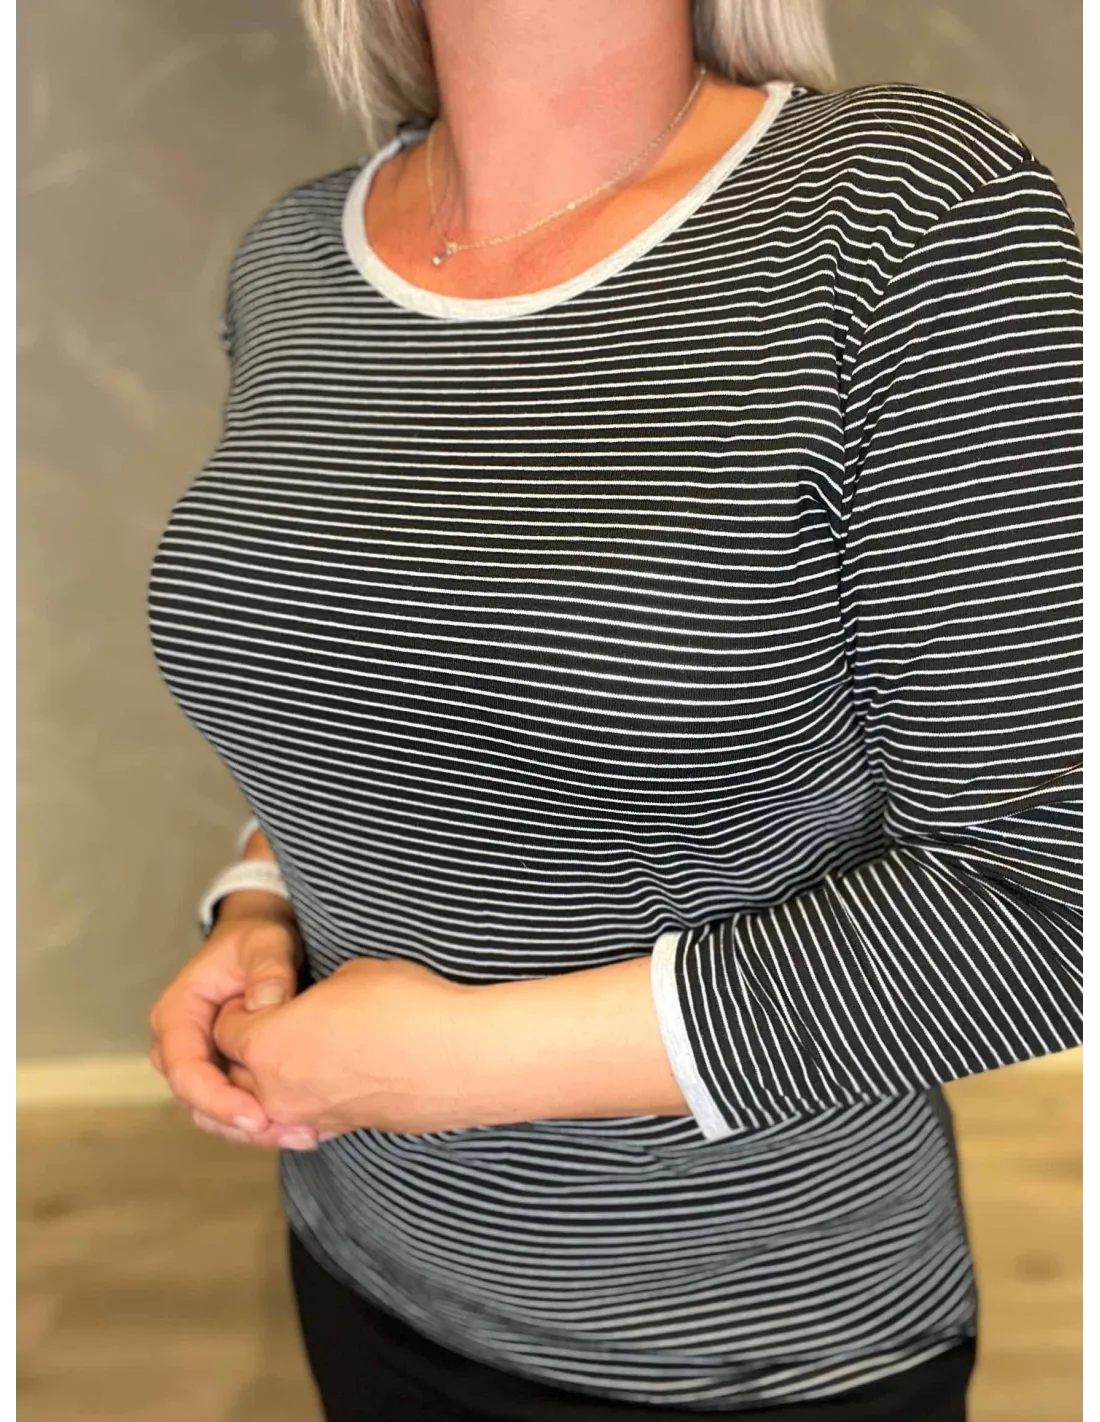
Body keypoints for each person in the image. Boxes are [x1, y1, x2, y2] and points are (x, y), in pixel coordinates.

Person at [146, 1, 1085, 1417]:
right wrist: (258, 903)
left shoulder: (905, 212)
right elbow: (391, 689)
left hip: (746, 1346)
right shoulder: (291, 260)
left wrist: (452, 1067)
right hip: (360, 1256)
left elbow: (1050, 894)